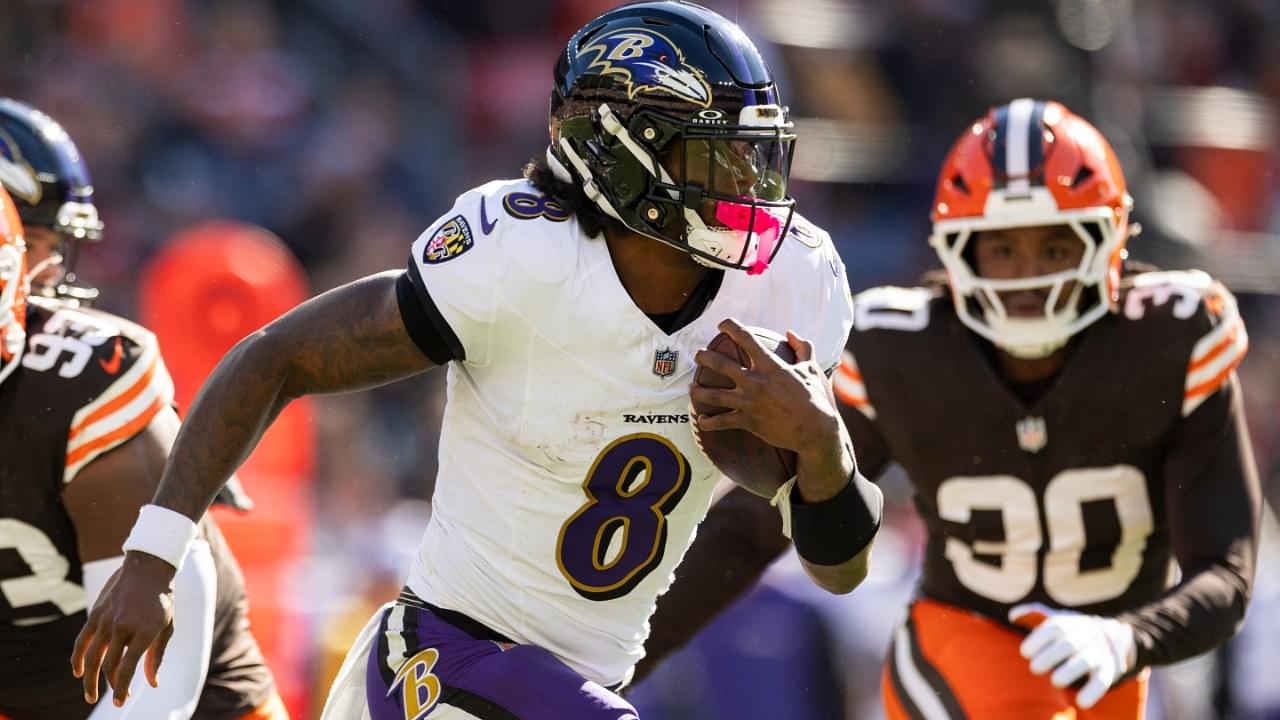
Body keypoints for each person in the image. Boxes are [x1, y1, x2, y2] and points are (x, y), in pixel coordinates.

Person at [71, 2, 882, 718]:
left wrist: (822, 449)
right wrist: (153, 554)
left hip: (578, 686)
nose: (746, 185)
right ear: (616, 153)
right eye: (713, 158)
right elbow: (277, 355)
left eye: (753, 155)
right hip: (435, 660)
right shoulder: (521, 259)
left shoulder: (793, 283)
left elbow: (840, 570)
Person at [636, 99, 1262, 719]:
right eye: (1002, 250)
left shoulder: (1172, 338)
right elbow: (754, 526)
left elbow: (1226, 574)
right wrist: (619, 663)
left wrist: (1127, 636)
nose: (1027, 278)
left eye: (1054, 249)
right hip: (962, 647)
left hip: (1114, 660)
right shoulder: (899, 349)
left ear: (1109, 241)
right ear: (956, 250)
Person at [0, 98, 285, 720]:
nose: (45, 269)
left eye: (44, 242)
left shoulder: (81, 381)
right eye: (37, 238)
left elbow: (159, 690)